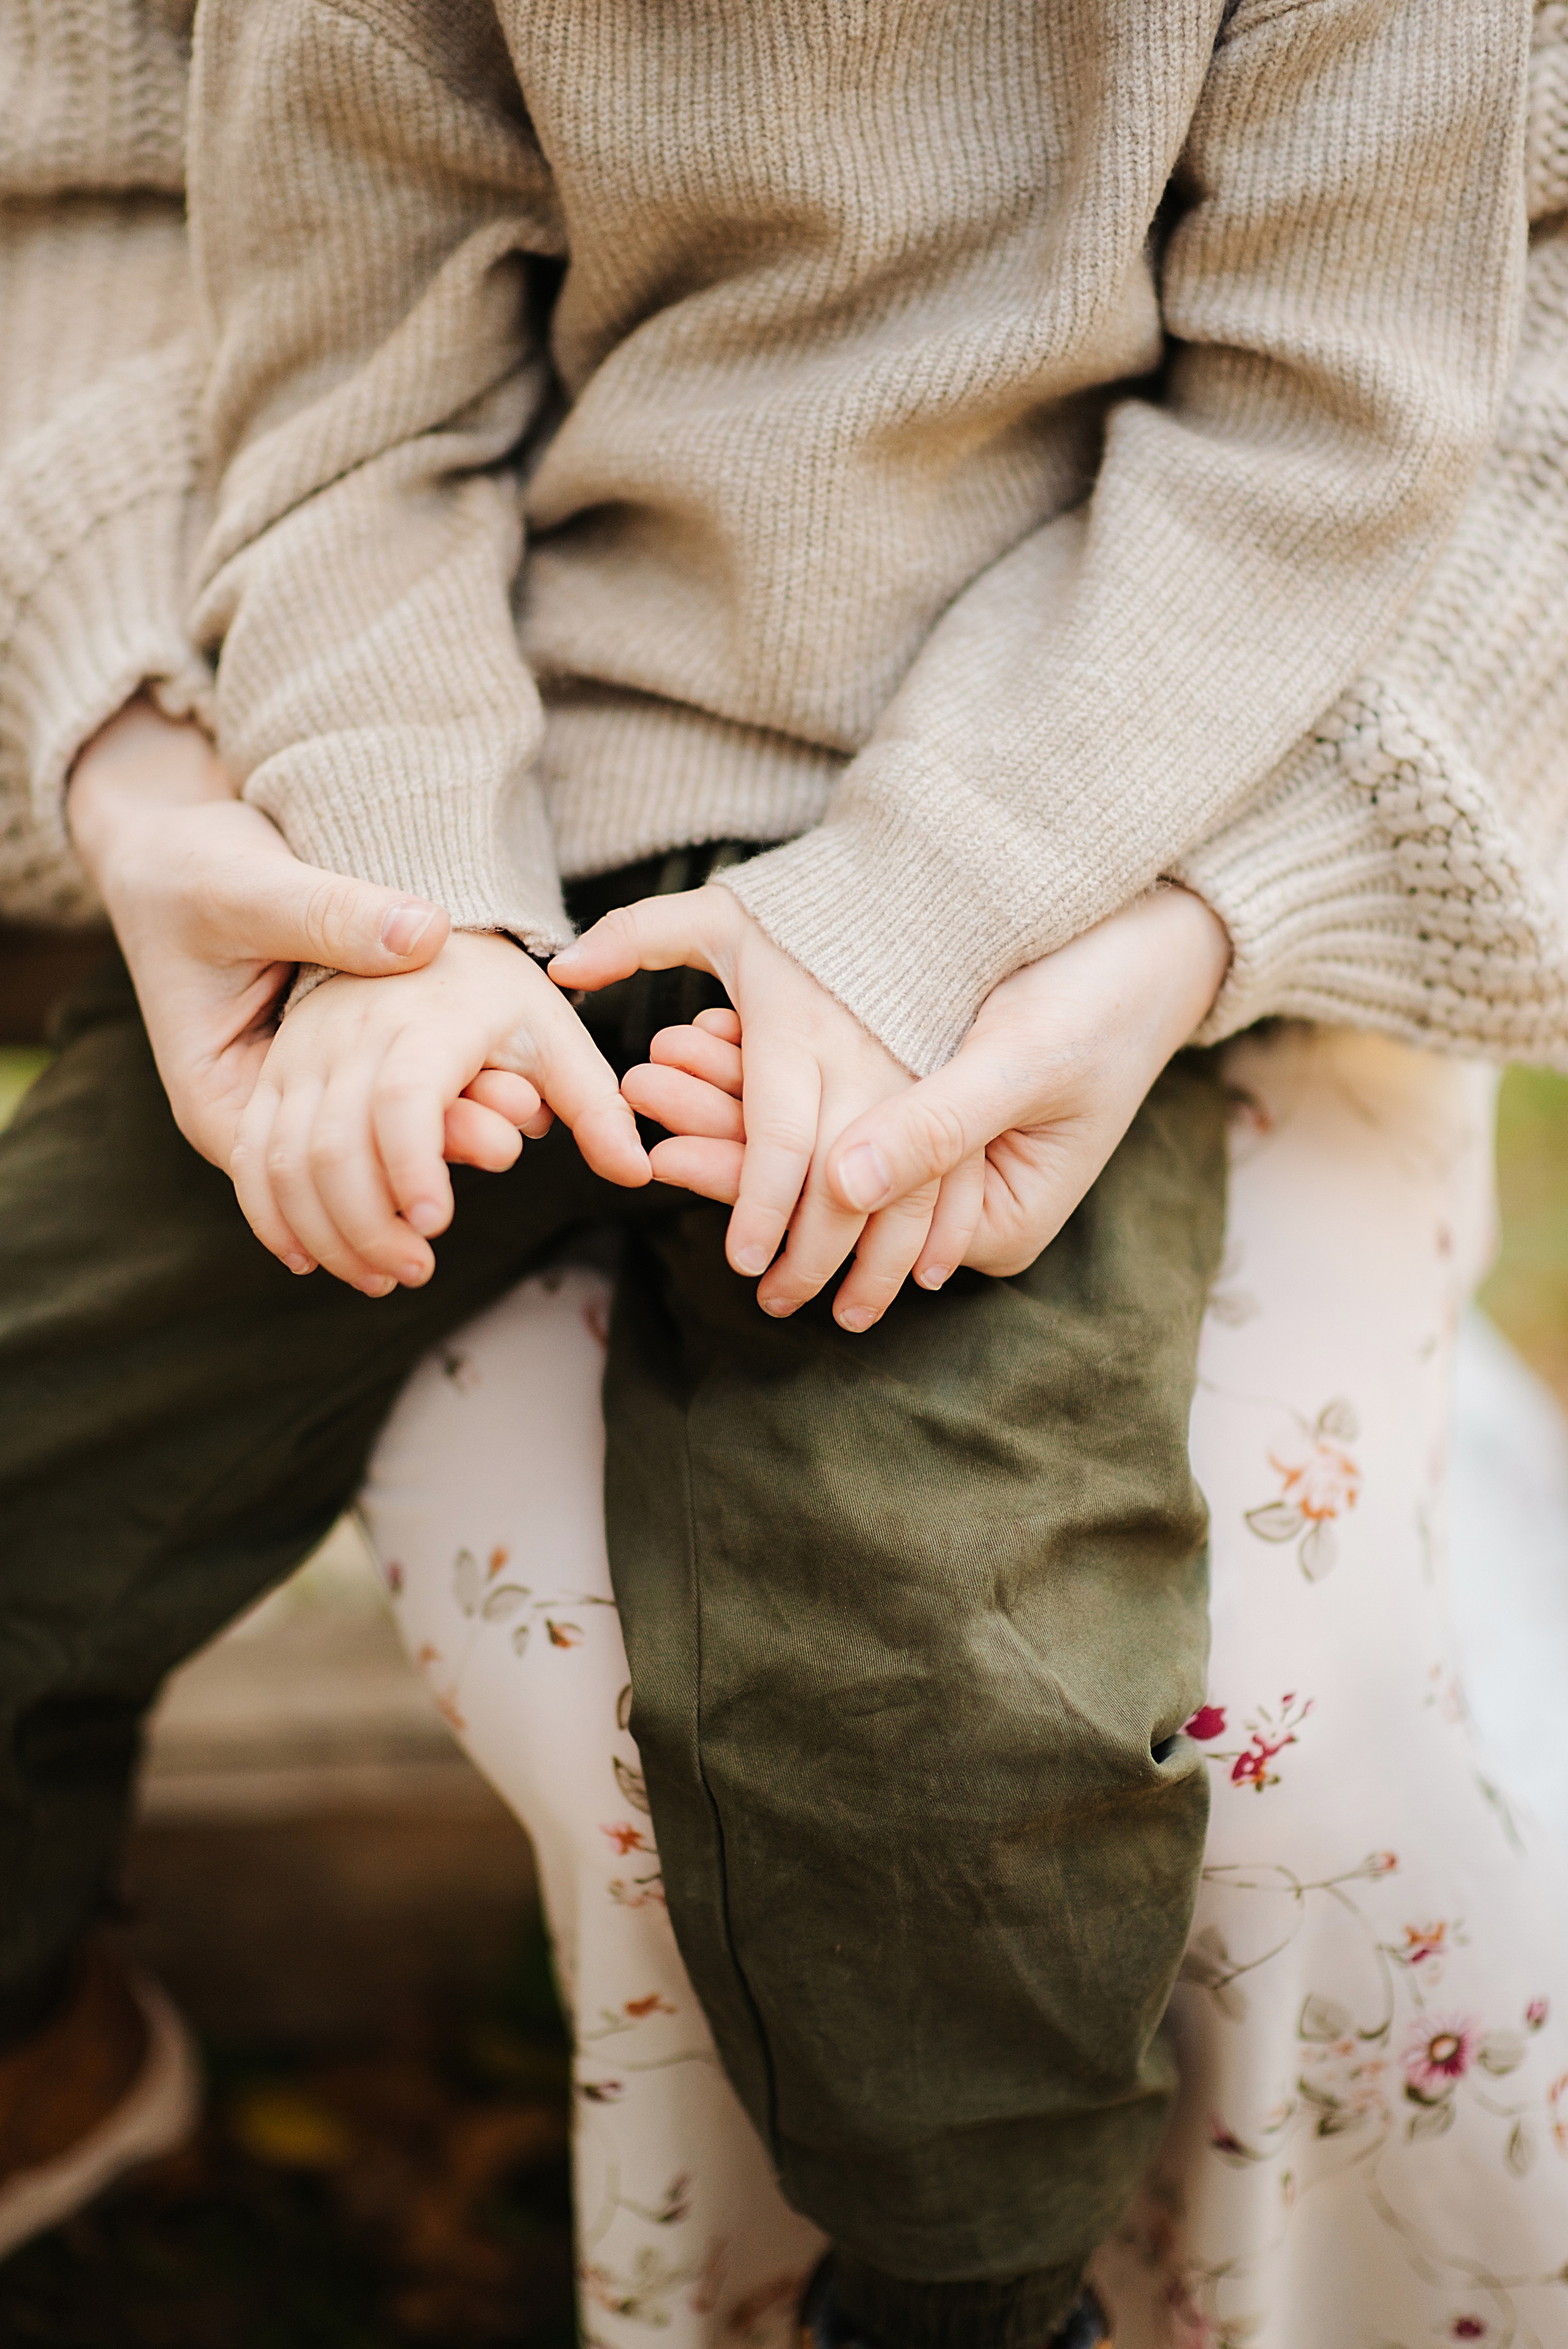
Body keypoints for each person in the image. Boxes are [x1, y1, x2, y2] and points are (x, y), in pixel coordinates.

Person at [0, 2, 1540, 2343]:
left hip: (1046, 834)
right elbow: (341, 364)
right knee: (44, 1420)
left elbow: (1322, 437)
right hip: (450, 772)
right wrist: (420, 889)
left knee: (943, 1701)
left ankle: (962, 2303)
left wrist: (931, 913)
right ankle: (39, 2049)